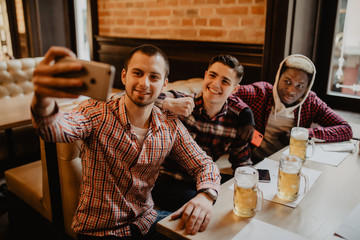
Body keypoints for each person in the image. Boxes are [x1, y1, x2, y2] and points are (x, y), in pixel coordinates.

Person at [31, 45, 221, 239]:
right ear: (124, 76)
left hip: (145, 221)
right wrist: (42, 99)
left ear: (164, 84)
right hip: (100, 231)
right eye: (137, 73)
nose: (144, 83)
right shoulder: (97, 111)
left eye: (154, 77)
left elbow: (204, 164)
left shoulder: (169, 124)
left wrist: (206, 196)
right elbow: (53, 129)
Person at [151, 54, 255, 211]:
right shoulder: (180, 101)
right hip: (166, 180)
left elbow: (242, 163)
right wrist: (167, 103)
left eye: (225, 81)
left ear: (234, 90)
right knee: (208, 206)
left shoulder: (235, 121)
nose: (215, 83)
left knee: (233, 195)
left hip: (203, 179)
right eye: (212, 75)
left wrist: (251, 183)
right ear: (205, 75)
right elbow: (138, 99)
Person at [229, 54, 353, 162]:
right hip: (254, 159)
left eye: (300, 86)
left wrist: (303, 134)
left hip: (290, 162)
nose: (291, 91)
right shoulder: (261, 92)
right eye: (287, 82)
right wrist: (246, 115)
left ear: (307, 88)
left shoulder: (311, 102)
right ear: (278, 77)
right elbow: (228, 93)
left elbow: (346, 130)